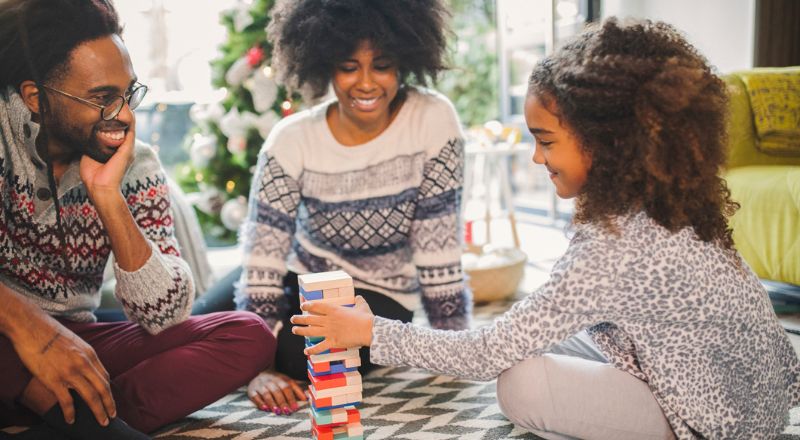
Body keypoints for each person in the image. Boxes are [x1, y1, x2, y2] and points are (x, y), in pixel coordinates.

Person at [291, 17, 800, 440]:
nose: (536, 156)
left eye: (547, 141)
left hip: (712, 422)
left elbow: (489, 354)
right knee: (539, 335)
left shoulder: (615, 248)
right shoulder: (674, 202)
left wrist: (369, 332)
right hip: (750, 396)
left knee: (520, 382)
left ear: (607, 143)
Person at [0, 0, 276, 438]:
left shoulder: (135, 164)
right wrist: (31, 330)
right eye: (103, 98)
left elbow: (164, 314)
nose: (125, 115)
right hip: (7, 332)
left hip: (80, 342)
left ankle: (68, 414)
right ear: (36, 98)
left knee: (248, 335)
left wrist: (109, 197)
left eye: (128, 93)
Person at [196, 0, 472, 417]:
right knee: (189, 328)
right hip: (299, 272)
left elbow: (439, 246)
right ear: (324, 64)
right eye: (348, 66)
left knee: (296, 359)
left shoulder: (432, 120)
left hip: (377, 295)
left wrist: (455, 346)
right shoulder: (291, 139)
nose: (366, 83)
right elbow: (263, 259)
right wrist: (257, 368)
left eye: (381, 64)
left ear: (404, 62)